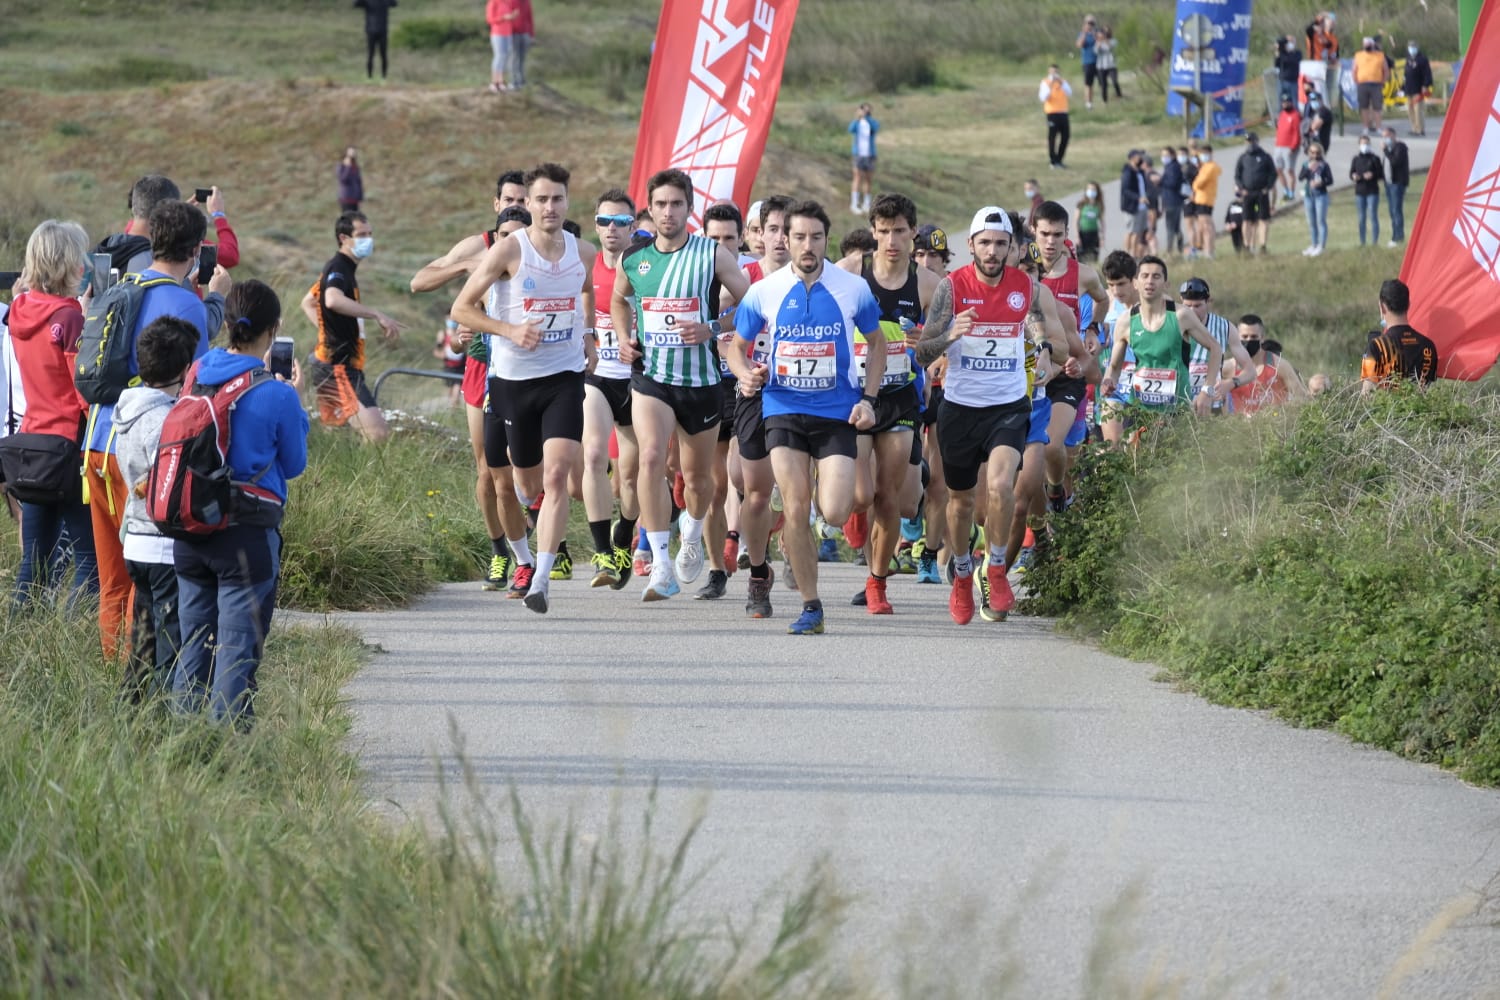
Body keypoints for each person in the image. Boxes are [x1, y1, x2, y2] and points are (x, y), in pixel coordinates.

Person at [726, 200, 884, 635]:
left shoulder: (852, 288)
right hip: (783, 407)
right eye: (798, 237)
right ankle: (811, 606)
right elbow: (735, 347)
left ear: (826, 240)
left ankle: (800, 535)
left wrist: (869, 399)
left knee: (833, 511)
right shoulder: (765, 289)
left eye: (816, 237)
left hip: (836, 412)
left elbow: (878, 345)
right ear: (785, 239)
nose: (807, 245)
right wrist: (745, 376)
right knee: (795, 506)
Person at [84, 200, 227, 661]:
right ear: (195, 250)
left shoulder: (122, 287)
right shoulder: (184, 302)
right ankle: (140, 688)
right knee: (142, 573)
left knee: (112, 580)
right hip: (145, 449)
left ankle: (112, 674)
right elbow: (195, 384)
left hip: (99, 441)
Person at [450, 163, 596, 614]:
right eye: (541, 199)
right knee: (526, 485)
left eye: (557, 199)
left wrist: (587, 333)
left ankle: (542, 580)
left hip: (564, 378)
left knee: (556, 478)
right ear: (527, 204)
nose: (550, 207)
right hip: (513, 381)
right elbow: (462, 308)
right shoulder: (509, 251)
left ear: (567, 203)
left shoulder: (583, 251)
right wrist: (508, 330)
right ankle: (524, 555)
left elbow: (589, 289)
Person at [172, 280, 308, 725]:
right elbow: (293, 465)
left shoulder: (196, 373)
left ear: (227, 324)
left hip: (189, 527)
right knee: (236, 651)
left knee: (193, 643)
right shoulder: (277, 393)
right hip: (246, 536)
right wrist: (296, 402)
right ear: (274, 329)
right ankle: (228, 752)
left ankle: (182, 744)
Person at [612, 168, 750, 602]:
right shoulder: (634, 258)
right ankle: (661, 565)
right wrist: (621, 337)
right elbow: (619, 298)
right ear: (649, 210)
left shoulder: (712, 254)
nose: (668, 212)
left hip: (702, 382)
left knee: (698, 481)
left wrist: (712, 327)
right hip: (652, 378)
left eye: (676, 204)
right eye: (660, 205)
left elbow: (752, 304)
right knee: (651, 458)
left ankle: (691, 531)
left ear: (690, 209)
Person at [914, 208, 1053, 625]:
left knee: (1000, 487)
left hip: (1008, 405)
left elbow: (1035, 321)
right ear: (971, 245)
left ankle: (994, 567)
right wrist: (948, 335)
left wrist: (1044, 349)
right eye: (985, 242)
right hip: (959, 407)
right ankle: (960, 572)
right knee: (960, 502)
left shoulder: (1023, 285)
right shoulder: (951, 288)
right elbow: (922, 353)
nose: (993, 251)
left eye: (1000, 243)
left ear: (1011, 247)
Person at [836, 193, 938, 615]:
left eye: (899, 231)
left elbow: (941, 345)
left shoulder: (929, 284)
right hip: (857, 395)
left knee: (888, 497)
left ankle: (877, 582)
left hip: (900, 398)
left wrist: (927, 346)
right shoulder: (849, 274)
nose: (891, 240)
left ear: (913, 233)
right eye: (883, 232)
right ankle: (857, 524)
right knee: (858, 496)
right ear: (872, 233)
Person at [6, 220, 97, 611]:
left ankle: (18, 630)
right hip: (69, 449)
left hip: (33, 444)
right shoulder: (69, 319)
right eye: (81, 257)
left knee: (34, 560)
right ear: (68, 265)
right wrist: (89, 323)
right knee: (90, 560)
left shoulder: (20, 310)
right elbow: (82, 390)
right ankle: (79, 632)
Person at [114, 317, 198, 700]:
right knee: (169, 646)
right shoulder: (166, 419)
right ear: (185, 369)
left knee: (142, 643)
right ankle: (164, 724)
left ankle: (131, 714)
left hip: (135, 543)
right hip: (162, 545)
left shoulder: (125, 411)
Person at [576, 190, 641, 591]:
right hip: (598, 377)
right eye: (604, 222)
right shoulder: (586, 264)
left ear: (633, 226)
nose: (611, 230)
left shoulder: (647, 266)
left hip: (637, 381)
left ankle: (623, 536)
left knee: (633, 478)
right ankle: (602, 551)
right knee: (595, 454)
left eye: (620, 222)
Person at [303, 211, 405, 443]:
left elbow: (308, 302)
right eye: (361, 235)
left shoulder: (341, 268)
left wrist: (326, 332)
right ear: (343, 238)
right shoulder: (339, 268)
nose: (368, 240)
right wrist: (376, 314)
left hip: (331, 361)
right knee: (377, 433)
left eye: (370, 234)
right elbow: (332, 299)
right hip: (338, 365)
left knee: (337, 437)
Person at [1100, 256, 1228, 415]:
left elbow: (1215, 347)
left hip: (1177, 411)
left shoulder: (1181, 315)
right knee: (1132, 439)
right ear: (1135, 283)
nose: (1150, 281)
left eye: (1156, 276)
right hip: (1140, 411)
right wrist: (1108, 380)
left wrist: (1207, 390)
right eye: (1144, 276)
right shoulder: (1125, 321)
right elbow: (1113, 367)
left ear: (1166, 284)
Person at [1176, 277, 1256, 407]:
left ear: (1208, 301)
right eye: (1187, 306)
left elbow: (1250, 372)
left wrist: (1230, 383)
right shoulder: (1171, 324)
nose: (1191, 311)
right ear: (1180, 301)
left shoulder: (1224, 327)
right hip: (1177, 407)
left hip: (1210, 407)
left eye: (1197, 306)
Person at [1362, 279, 1438, 391]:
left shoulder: (1376, 346)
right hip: (1422, 408)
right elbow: (1428, 389)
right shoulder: (1428, 346)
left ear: (1382, 307)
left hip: (1387, 408)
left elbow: (1367, 394)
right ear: (1408, 305)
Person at [1229, 314, 1308, 413]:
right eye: (1245, 336)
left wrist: (1280, 411)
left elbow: (1301, 397)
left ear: (1262, 338)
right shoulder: (1228, 368)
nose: (1249, 340)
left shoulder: (1279, 366)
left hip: (1272, 425)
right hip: (1237, 426)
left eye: (1254, 337)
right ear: (1237, 337)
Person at [1234, 133, 1276, 255]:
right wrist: (1241, 188)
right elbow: (1237, 176)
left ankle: (1262, 245)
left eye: (1252, 141)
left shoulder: (1265, 157)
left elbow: (1272, 174)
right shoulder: (1243, 158)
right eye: (1248, 141)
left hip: (1261, 193)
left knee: (1263, 219)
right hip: (1247, 193)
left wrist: (1267, 187)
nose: (1250, 143)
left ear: (1257, 141)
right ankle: (1247, 246)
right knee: (1247, 220)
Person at [486, 0, 534, 92]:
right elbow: (490, 19)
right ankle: (494, 82)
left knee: (505, 57)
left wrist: (512, 17)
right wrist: (504, 17)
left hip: (508, 33)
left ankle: (501, 81)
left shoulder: (506, 3)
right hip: (498, 33)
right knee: (499, 57)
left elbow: (527, 16)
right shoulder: (493, 2)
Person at [1297, 143, 1333, 256]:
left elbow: (1330, 180)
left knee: (1320, 221)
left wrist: (1321, 182)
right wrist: (1308, 169)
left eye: (1317, 153)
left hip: (1321, 195)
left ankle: (1321, 246)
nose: (1315, 155)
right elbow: (1300, 177)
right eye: (1312, 152)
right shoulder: (1306, 164)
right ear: (1309, 153)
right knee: (1311, 222)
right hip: (1309, 195)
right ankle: (1314, 244)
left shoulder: (1324, 165)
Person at [1350, 135, 1384, 247]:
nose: (1365, 146)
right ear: (1359, 145)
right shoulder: (1356, 159)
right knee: (1361, 217)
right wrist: (1354, 176)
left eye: (1367, 143)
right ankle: (1362, 241)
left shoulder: (1375, 158)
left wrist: (1372, 175)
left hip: (1372, 191)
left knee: (1373, 215)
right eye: (1363, 144)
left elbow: (1381, 174)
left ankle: (1375, 241)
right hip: (1360, 191)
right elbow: (1351, 172)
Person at [848, 103, 879, 214]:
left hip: (869, 154)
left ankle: (867, 204)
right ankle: (854, 203)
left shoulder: (872, 122)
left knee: (868, 179)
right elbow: (850, 129)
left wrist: (867, 117)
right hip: (859, 154)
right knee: (857, 177)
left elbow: (876, 128)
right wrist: (858, 117)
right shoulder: (857, 123)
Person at [1353, 36, 1389, 132]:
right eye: (1365, 45)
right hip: (1362, 84)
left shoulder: (1380, 55)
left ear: (1372, 45)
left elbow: (1385, 70)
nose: (1367, 46)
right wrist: (1356, 81)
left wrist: (1383, 82)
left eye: (1368, 44)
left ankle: (1378, 127)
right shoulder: (1358, 55)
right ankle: (1366, 127)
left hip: (1376, 84)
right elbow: (1354, 70)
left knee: (1377, 107)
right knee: (1364, 107)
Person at [354, 0, 397, 81]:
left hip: (382, 31)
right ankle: (369, 77)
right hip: (371, 31)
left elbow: (394, 4)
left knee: (383, 55)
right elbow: (356, 4)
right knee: (370, 55)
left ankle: (384, 77)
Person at [1190, 145, 1220, 259]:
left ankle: (1209, 250)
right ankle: (1207, 249)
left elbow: (1199, 183)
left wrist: (1195, 185)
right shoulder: (1204, 166)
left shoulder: (1210, 167)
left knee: (1207, 225)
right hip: (1202, 198)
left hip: (1205, 198)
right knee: (1203, 225)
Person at [1040, 65, 1073, 169]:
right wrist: (1051, 85)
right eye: (1052, 72)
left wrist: (1061, 82)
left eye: (1056, 72)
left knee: (1066, 136)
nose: (1054, 74)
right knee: (1052, 137)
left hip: (1063, 112)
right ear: (1049, 72)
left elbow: (1069, 92)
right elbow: (1043, 97)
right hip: (1052, 113)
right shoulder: (1045, 82)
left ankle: (1059, 159)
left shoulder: (1063, 82)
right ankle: (1053, 160)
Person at [1382, 127, 1410, 247]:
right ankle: (1394, 235)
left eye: (1388, 135)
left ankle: (1398, 237)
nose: (1386, 138)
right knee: (1391, 211)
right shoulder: (1388, 149)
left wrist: (1386, 151)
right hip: (1388, 183)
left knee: (1396, 210)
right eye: (1384, 136)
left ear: (1394, 135)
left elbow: (1395, 162)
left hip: (1397, 183)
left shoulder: (1400, 147)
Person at [1120, 150, 1150, 258]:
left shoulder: (1140, 171)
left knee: (1139, 232)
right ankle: (1128, 254)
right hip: (1132, 207)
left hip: (1142, 207)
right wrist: (1138, 198)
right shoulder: (1128, 172)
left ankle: (1135, 253)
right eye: (1138, 156)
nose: (1140, 158)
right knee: (1131, 231)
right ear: (1132, 158)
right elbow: (1125, 190)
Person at [1273, 96, 1302, 203]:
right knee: (1278, 169)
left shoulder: (1295, 115)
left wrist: (1293, 146)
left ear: (1291, 103)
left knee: (1290, 170)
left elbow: (1297, 133)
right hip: (1279, 145)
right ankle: (1285, 190)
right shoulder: (1282, 114)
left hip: (1289, 147)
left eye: (1287, 102)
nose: (1285, 104)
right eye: (1283, 103)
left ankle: (1291, 193)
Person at [1402, 41, 1433, 136]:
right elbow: (1406, 74)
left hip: (1418, 89)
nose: (1412, 48)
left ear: (1417, 47)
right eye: (1410, 46)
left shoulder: (1422, 59)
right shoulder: (1408, 59)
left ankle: (1420, 129)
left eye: (1414, 46)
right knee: (1410, 110)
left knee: (1418, 110)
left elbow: (1427, 74)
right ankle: (1414, 128)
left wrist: (1425, 85)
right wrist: (1403, 87)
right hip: (1409, 88)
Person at [1158, 148, 1185, 255]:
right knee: (1176, 227)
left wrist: (1160, 181)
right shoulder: (1170, 166)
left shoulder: (1173, 167)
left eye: (1166, 155)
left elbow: (1172, 183)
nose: (1164, 158)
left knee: (1170, 227)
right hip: (1173, 200)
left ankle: (1170, 250)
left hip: (1172, 201)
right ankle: (1180, 248)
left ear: (1172, 155)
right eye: (1163, 155)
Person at [1075, 183, 1104, 261]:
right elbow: (1076, 221)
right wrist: (1077, 236)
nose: (1091, 191)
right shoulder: (1081, 204)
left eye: (1093, 189)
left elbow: (1102, 222)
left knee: (1094, 257)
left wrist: (1102, 238)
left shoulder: (1098, 205)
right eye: (1089, 189)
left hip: (1094, 233)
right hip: (1083, 233)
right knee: (1081, 257)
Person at [1075, 15, 1098, 109]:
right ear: (1085, 24)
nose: (1090, 25)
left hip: (1098, 61)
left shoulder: (1096, 33)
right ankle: (1088, 103)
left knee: (1098, 83)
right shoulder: (1081, 34)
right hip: (1087, 61)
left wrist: (1093, 34)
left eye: (1092, 23)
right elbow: (1079, 45)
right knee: (1088, 83)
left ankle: (1094, 101)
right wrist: (1085, 33)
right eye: (1088, 23)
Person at [1095, 26, 1122, 102]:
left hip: (1111, 65)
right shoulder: (1098, 42)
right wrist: (1099, 44)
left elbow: (1110, 47)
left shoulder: (1113, 41)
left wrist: (1105, 40)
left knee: (1114, 81)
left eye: (1106, 32)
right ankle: (1105, 101)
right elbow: (1096, 52)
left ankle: (1119, 95)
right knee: (1104, 85)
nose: (1105, 33)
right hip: (1101, 66)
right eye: (1104, 32)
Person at [1274, 35, 1302, 103]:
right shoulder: (1282, 53)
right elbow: (1277, 65)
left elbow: (1292, 61)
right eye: (1288, 42)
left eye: (1291, 42)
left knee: (1294, 101)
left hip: (1293, 82)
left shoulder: (1297, 53)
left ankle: (1295, 113)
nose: (1289, 44)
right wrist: (1278, 54)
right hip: (1282, 81)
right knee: (1281, 102)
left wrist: (1288, 52)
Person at [337, 148, 363, 213]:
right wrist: (348, 167)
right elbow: (343, 180)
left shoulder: (355, 167)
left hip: (355, 200)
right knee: (347, 220)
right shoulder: (341, 166)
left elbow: (359, 183)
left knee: (355, 220)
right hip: (346, 199)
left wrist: (360, 198)